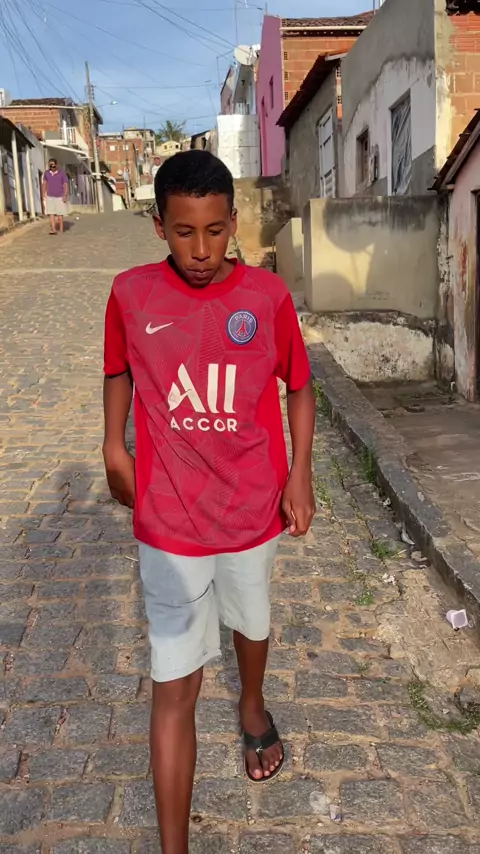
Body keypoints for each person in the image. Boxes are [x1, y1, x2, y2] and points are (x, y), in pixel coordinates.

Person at [102, 150, 316, 854]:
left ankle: (252, 704)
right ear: (159, 225)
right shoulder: (130, 294)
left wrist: (300, 473)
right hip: (169, 520)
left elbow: (299, 384)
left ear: (234, 223)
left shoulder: (267, 297)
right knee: (173, 683)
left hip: (252, 508)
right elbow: (117, 369)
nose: (202, 250)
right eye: (185, 232)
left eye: (217, 231)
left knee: (252, 621)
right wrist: (112, 445)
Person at [42, 158, 68, 235]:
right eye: (50, 165)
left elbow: (65, 184)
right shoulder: (46, 173)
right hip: (50, 196)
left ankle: (61, 230)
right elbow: (44, 183)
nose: (52, 167)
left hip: (60, 196)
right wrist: (43, 193)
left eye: (53, 165)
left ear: (56, 165)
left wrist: (65, 195)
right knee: (51, 213)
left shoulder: (62, 174)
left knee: (60, 214)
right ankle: (53, 229)